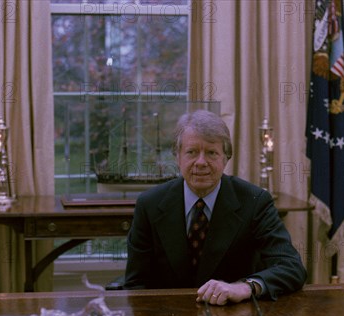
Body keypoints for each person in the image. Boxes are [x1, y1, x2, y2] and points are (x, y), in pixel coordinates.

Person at [124, 110, 306, 305]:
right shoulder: (149, 204)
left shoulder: (254, 202)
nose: (201, 162)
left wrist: (245, 287)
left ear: (225, 158)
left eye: (211, 153)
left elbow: (291, 267)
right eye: (192, 152)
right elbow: (136, 285)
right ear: (177, 157)